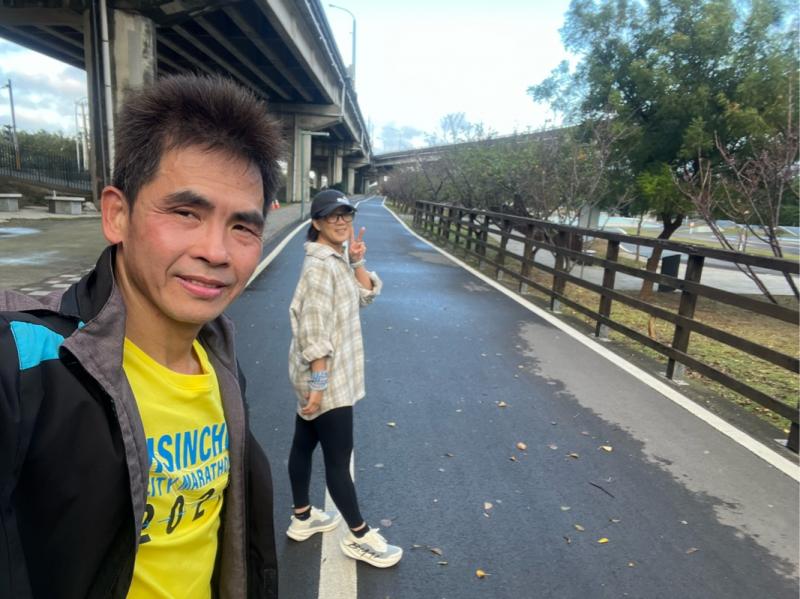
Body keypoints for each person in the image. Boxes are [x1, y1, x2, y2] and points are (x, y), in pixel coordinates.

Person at [0, 74, 283, 598]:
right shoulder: (27, 362)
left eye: (242, 227)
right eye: (186, 213)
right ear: (117, 215)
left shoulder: (219, 361)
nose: (216, 251)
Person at [286, 189, 403, 568]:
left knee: (304, 443)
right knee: (338, 460)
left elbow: (365, 296)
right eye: (332, 215)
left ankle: (303, 517)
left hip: (322, 376)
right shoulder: (320, 267)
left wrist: (357, 261)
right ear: (316, 222)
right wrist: (319, 387)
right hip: (327, 379)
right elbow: (314, 329)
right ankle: (359, 536)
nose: (341, 221)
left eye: (346, 214)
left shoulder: (335, 259)